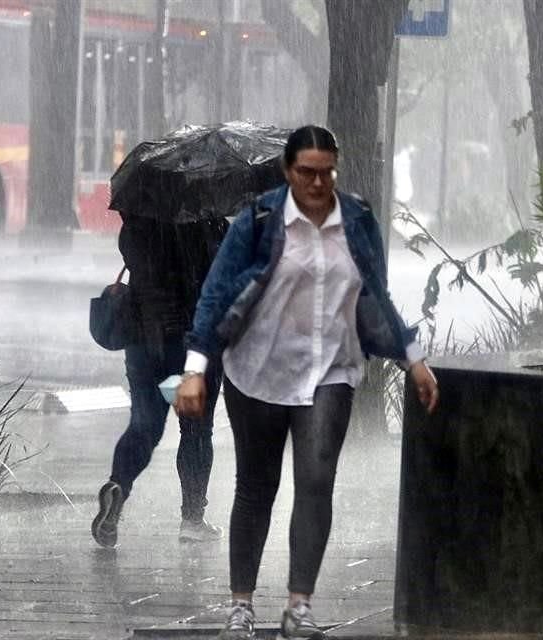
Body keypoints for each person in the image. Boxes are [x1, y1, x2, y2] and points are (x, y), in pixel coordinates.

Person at [174, 125, 439, 640]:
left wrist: (413, 357)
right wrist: (195, 368)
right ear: (287, 171)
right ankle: (241, 607)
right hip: (258, 370)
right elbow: (215, 294)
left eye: (327, 172)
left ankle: (299, 608)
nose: (318, 183)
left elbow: (375, 295)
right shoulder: (260, 220)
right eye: (306, 172)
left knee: (316, 485)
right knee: (256, 488)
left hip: (331, 372)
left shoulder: (358, 220)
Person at [91, 214, 228, 548]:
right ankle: (192, 519)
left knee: (145, 427)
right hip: (190, 346)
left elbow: (136, 261)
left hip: (143, 342)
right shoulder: (212, 227)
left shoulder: (138, 225)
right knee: (195, 431)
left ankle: (119, 484)